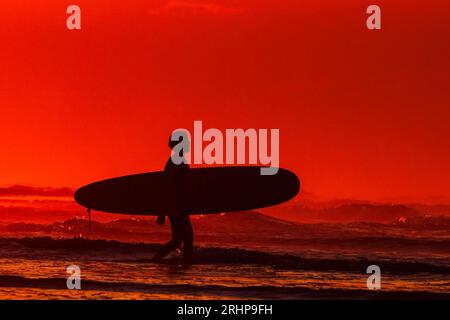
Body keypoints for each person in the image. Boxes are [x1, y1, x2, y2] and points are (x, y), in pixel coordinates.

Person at [151, 132, 193, 262]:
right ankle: (183, 262)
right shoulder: (176, 161)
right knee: (185, 237)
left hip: (176, 205)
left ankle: (157, 260)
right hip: (177, 205)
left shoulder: (176, 160)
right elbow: (171, 187)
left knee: (180, 239)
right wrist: (162, 211)